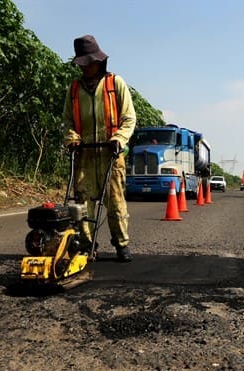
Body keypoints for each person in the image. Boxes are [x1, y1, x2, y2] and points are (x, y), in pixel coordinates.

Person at [63, 35, 136, 262]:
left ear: (99, 61)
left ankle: (121, 243)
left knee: (115, 204)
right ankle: (87, 245)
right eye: (82, 64)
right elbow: (67, 121)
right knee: (83, 205)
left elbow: (129, 118)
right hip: (84, 155)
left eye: (89, 62)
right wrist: (72, 138)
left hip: (110, 154)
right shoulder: (74, 89)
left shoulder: (115, 84)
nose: (85, 67)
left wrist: (119, 139)